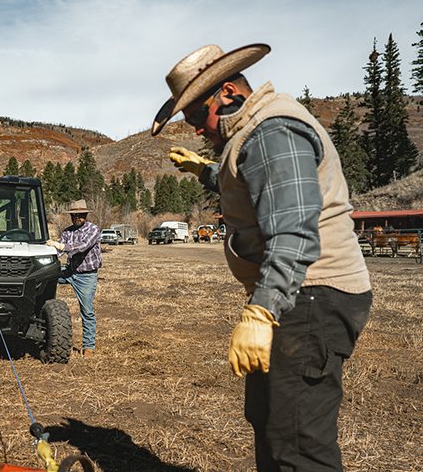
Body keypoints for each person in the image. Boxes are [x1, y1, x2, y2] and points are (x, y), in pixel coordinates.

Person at [151, 44, 372, 471]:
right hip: (298, 297)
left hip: (309, 296)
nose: (197, 129)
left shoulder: (272, 129)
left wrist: (261, 312)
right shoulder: (254, 134)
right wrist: (206, 172)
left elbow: (292, 230)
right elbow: (263, 186)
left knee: (298, 445)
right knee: (271, 423)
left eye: (199, 115)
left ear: (229, 93)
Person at [46, 199, 102, 357]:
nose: (78, 217)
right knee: (45, 278)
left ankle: (89, 346)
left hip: (87, 276)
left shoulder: (93, 230)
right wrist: (50, 251)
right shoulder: (67, 232)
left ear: (86, 215)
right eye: (74, 215)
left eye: (81, 215)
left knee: (87, 310)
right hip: (70, 271)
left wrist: (62, 246)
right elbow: (59, 252)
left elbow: (82, 247)